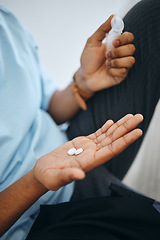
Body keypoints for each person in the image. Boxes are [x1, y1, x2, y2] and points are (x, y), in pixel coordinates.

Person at [0, 0, 160, 239]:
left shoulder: (5, 22)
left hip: (70, 148)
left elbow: (47, 106)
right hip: (27, 221)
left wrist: (83, 83)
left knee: (152, 15)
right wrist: (36, 180)